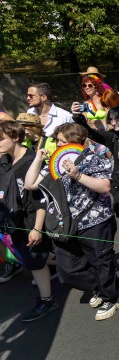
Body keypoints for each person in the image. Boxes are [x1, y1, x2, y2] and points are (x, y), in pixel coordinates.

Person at [24, 123, 119, 321]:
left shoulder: (93, 159)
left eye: (62, 141)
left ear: (78, 143)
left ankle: (110, 297)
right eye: (57, 141)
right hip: (68, 224)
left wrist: (78, 175)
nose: (58, 145)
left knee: (100, 261)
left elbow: (104, 186)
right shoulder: (56, 162)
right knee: (67, 269)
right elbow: (30, 183)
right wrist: (38, 159)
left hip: (96, 221)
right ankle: (98, 286)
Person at [71, 104, 119, 279]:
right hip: (117, 185)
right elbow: (92, 133)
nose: (112, 123)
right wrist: (79, 118)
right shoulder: (114, 137)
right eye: (110, 119)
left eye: (115, 119)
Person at [0, 121, 58, 321]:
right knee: (32, 258)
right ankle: (59, 263)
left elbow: (40, 201)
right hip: (13, 220)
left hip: (30, 221)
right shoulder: (5, 161)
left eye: (1, 139)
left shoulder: (31, 161)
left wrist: (37, 228)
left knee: (35, 263)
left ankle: (47, 300)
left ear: (15, 137)